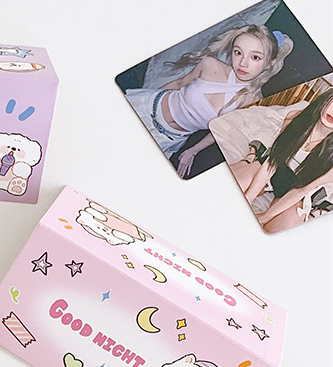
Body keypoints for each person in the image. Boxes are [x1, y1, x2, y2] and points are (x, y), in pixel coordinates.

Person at [126, 24, 293, 177]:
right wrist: (146, 95)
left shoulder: (253, 100)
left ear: (269, 63)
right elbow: (179, 83)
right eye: (238, 52)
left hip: (168, 139)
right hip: (146, 106)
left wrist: (192, 151)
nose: (243, 63)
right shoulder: (210, 65)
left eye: (255, 57)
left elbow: (218, 131)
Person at [229, 88, 333, 233]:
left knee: (283, 229)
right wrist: (248, 198)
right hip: (274, 169)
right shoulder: (294, 118)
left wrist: (265, 216)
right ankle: (252, 156)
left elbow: (303, 189)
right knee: (232, 188)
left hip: (297, 190)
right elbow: (273, 161)